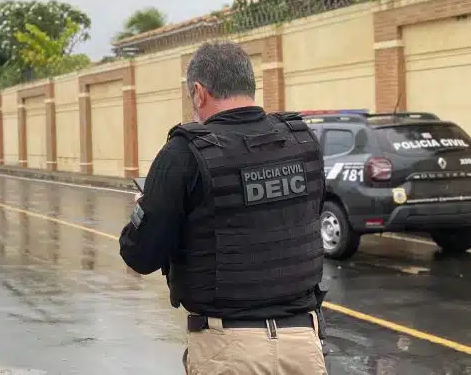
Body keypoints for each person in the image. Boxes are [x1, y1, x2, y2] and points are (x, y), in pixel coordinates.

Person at [118, 41, 328, 374]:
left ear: (199, 93)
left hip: (228, 351)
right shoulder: (302, 142)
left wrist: (144, 211)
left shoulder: (182, 154)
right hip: (304, 347)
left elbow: (141, 255)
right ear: (249, 85)